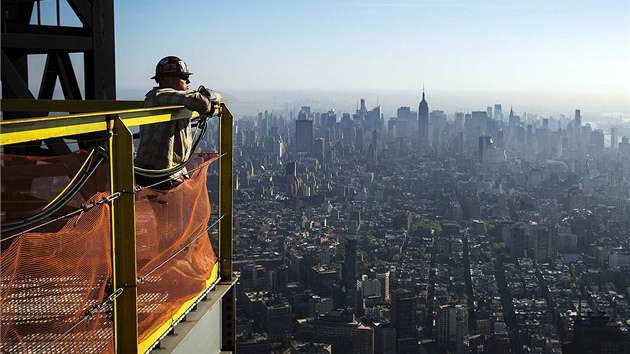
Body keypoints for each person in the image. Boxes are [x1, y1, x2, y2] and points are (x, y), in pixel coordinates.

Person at [135, 56, 221, 189]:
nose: (188, 80)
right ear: (167, 79)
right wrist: (211, 97)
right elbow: (201, 103)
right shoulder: (162, 96)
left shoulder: (173, 99)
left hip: (164, 174)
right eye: (183, 77)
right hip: (160, 176)